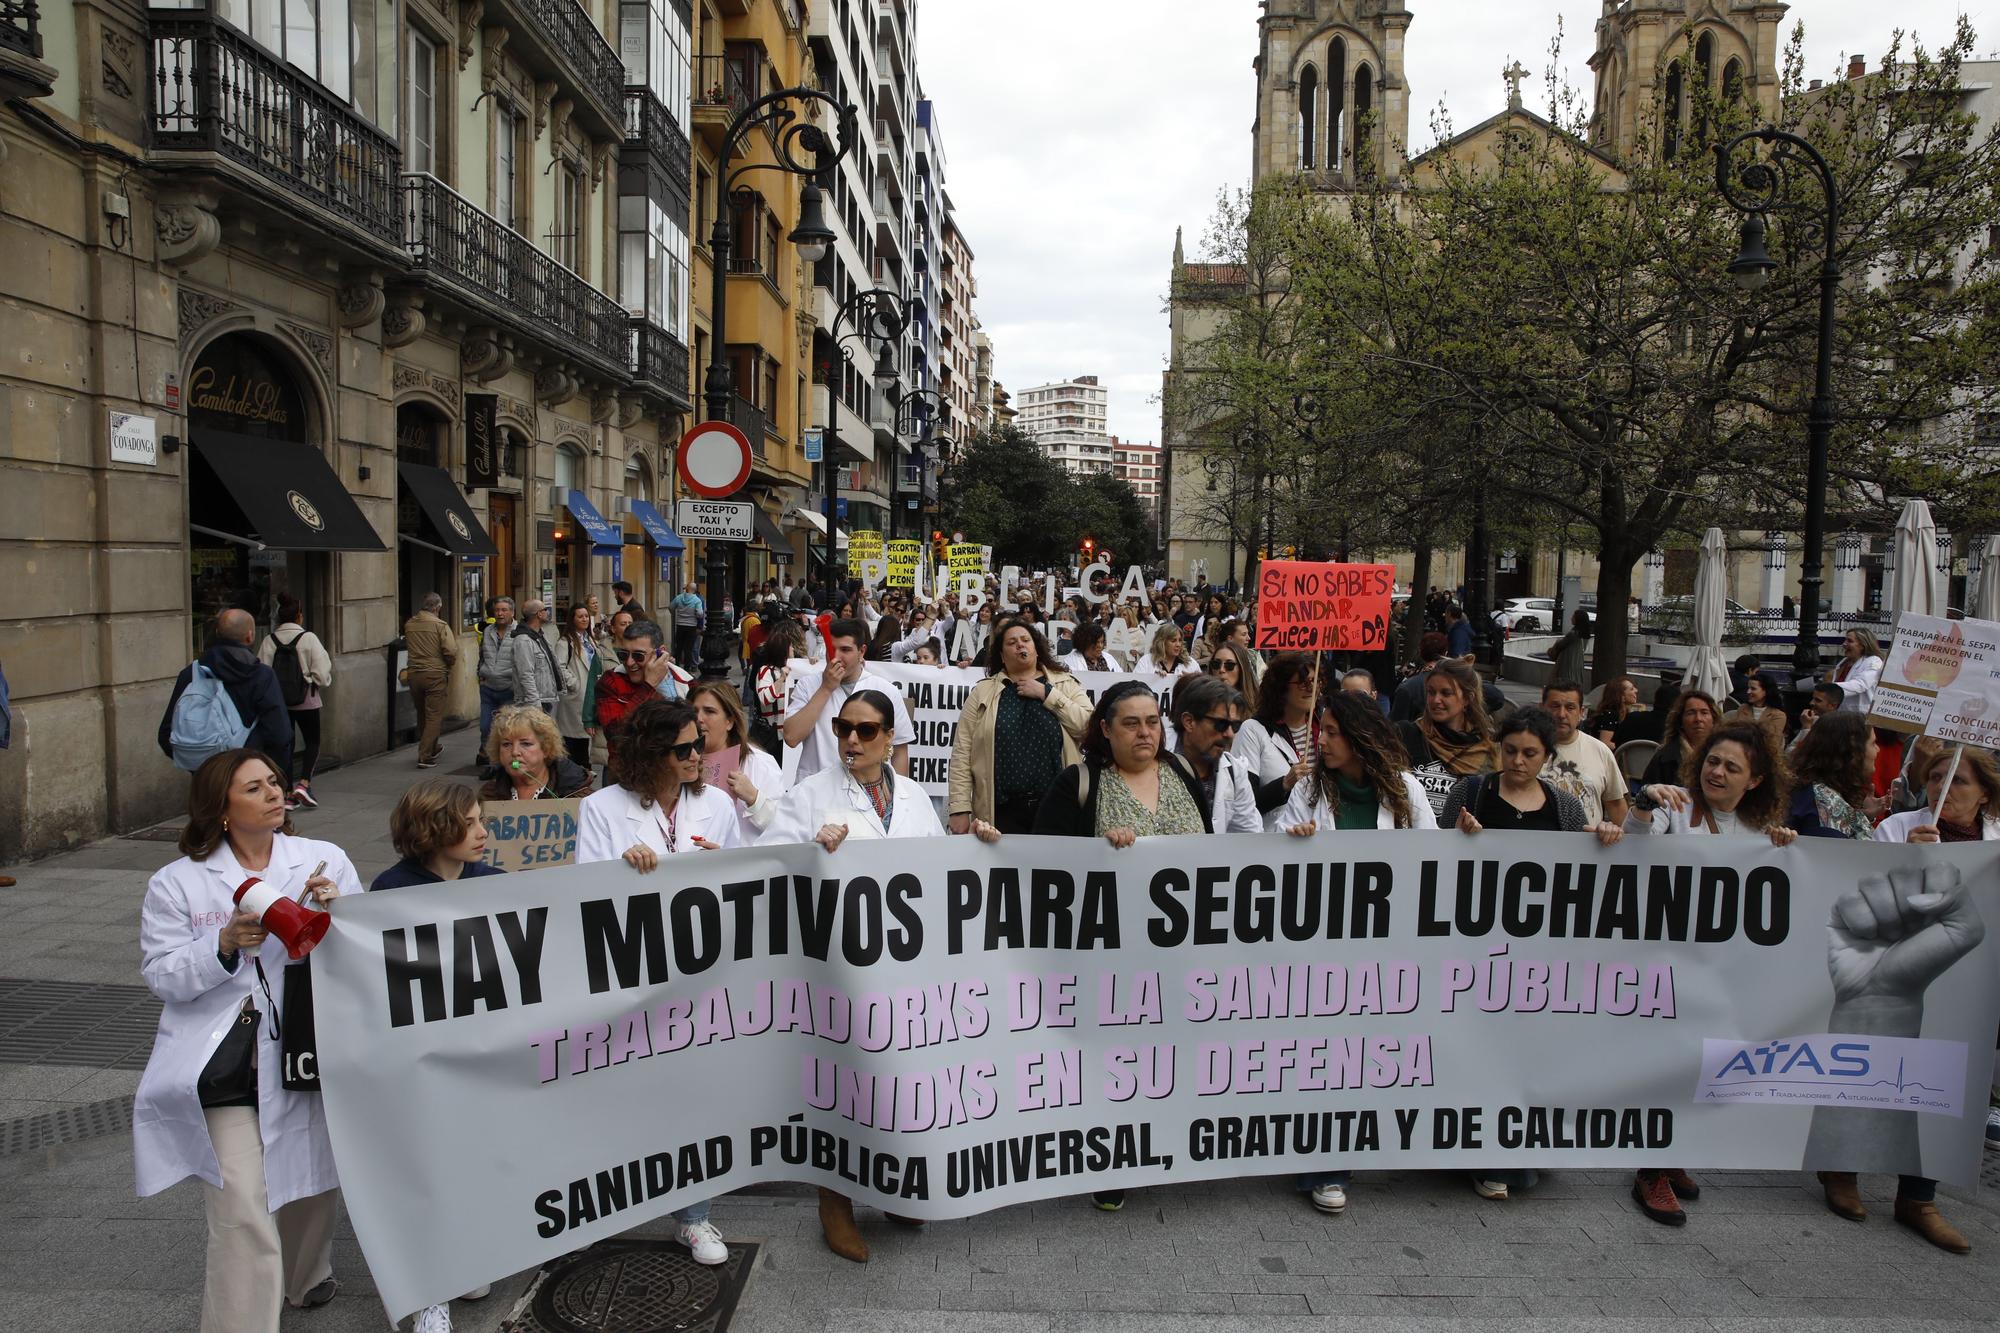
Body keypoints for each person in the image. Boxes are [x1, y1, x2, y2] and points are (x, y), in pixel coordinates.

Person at [758, 689, 998, 1259]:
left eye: (867, 731)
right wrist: (810, 851)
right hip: (841, 970)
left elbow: (937, 872)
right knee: (847, 1083)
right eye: (844, 729)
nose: (852, 741)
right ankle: (834, 1200)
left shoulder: (914, 796)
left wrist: (982, 849)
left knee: (901, 1080)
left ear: (891, 738)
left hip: (906, 971)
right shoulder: (811, 795)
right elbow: (766, 862)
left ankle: (894, 1183)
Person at [134, 749, 353, 1333]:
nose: (274, 794)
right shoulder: (178, 882)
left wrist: (339, 911)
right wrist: (224, 946)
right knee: (240, 1204)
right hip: (224, 1058)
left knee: (311, 1178)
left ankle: (304, 1278)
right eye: (254, 788)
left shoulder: (321, 859)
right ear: (222, 809)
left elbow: (361, 951)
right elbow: (162, 975)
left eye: (275, 783)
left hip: (303, 1043)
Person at [1033, 680, 1210, 1213]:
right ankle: (1111, 1161)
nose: (1145, 732)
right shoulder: (1079, 784)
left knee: (1170, 1056)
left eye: (1153, 721)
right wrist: (1099, 855)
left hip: (1180, 956)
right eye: (1130, 723)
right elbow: (1042, 868)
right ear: (1104, 730)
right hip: (1109, 963)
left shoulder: (1181, 773)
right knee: (1115, 1061)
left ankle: (1167, 1146)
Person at [574, 698, 737, 1265]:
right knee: (617, 1095)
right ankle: (599, 1211)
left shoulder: (716, 804)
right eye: (684, 749)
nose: (698, 756)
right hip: (632, 978)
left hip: (697, 977)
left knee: (695, 1098)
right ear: (652, 755)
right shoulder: (601, 808)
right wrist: (624, 865)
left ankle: (695, 1217)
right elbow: (585, 893)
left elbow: (743, 888)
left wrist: (724, 866)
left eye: (699, 744)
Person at [1625, 722, 1798, 1228]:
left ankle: (1673, 1150)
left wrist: (1786, 849)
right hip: (1668, 967)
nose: (1716, 772)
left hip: (1723, 974)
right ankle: (1649, 1171)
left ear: (1756, 781)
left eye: (1731, 767)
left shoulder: (1758, 830)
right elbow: (1636, 843)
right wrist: (1642, 806)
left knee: (1704, 1065)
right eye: (1712, 761)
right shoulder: (1674, 805)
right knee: (1671, 1063)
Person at [1273, 691, 1436, 1215]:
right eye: (1320, 729)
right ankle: (1326, 1167)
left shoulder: (1406, 789)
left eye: (1333, 732)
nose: (1321, 739)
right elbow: (1273, 859)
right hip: (1323, 951)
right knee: (1329, 1058)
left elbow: (1433, 857)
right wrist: (1292, 842)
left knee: (1374, 1055)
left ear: (1363, 736)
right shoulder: (1310, 791)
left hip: (1388, 948)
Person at [948, 617, 1093, 835]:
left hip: (1058, 808)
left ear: (1037, 650)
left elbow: (1088, 730)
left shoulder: (1065, 684)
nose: (1020, 644)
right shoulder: (982, 692)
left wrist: (1047, 694)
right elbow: (962, 752)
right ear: (1001, 655)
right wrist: (959, 808)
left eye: (1026, 640)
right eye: (1011, 642)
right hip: (1001, 813)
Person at [160, 609, 294, 782]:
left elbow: (166, 732)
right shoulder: (261, 676)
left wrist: (199, 763)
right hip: (248, 778)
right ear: (250, 636)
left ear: (217, 633)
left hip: (205, 781)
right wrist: (273, 779)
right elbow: (279, 735)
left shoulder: (192, 674)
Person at [782, 618, 916, 780]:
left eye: (845, 650)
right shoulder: (808, 685)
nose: (837, 657)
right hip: (815, 790)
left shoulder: (886, 690)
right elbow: (791, 737)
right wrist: (826, 688)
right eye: (832, 649)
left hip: (868, 792)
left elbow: (900, 750)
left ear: (862, 651)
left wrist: (898, 796)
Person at [1170, 673, 1276, 833]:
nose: (1229, 734)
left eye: (1235, 726)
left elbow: (1250, 838)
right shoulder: (1157, 767)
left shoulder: (1235, 771)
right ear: (1189, 722)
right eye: (1221, 724)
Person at [1396, 658, 1497, 823]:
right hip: (1410, 841)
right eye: (1431, 692)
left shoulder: (1487, 748)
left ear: (1467, 698)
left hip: (1462, 843)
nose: (1436, 700)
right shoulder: (1406, 735)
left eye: (1446, 693)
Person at [689, 681, 787, 846]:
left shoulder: (759, 762)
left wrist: (754, 798)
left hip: (742, 865)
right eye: (694, 712)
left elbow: (785, 826)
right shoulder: (681, 761)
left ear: (730, 722)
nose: (699, 719)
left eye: (709, 711)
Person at [256, 597, 332, 809]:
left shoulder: (269, 640)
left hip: (279, 702)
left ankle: (287, 790)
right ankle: (304, 784)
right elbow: (322, 672)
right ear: (299, 616)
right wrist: (317, 682)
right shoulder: (308, 638)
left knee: (284, 745)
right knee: (313, 741)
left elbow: (262, 671)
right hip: (306, 698)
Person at [1232, 653, 1320, 828]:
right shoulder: (1253, 730)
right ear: (1280, 689)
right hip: (1274, 842)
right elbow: (1243, 805)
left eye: (1315, 680)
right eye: (1303, 682)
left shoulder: (1326, 730)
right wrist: (1285, 784)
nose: (1311, 688)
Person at [370, 780, 506, 892]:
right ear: (431, 829)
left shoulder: (496, 881)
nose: (483, 833)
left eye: (481, 819)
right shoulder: (391, 887)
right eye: (468, 824)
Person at [595, 620, 691, 778]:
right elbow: (616, 733)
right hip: (630, 776)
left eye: (638, 656)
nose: (630, 662)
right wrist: (649, 685)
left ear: (661, 653)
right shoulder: (611, 681)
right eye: (623, 655)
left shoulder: (684, 681)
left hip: (676, 777)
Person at [1538, 679, 1628, 827]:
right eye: (1555, 706)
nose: (1561, 714)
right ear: (1541, 708)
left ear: (1582, 712)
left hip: (1587, 844)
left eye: (1570, 707)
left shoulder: (1600, 751)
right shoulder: (1523, 750)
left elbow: (1616, 805)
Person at [480, 704, 592, 803]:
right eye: (506, 744)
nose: (514, 752)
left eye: (526, 744)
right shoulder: (490, 796)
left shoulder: (576, 794)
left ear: (546, 748)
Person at [402, 593, 458, 770]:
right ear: (437, 608)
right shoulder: (440, 625)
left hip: (414, 674)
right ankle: (425, 755)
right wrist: (449, 664)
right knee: (434, 716)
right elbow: (450, 650)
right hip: (434, 673)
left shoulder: (410, 624)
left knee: (422, 714)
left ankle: (432, 746)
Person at [550, 605, 599, 768]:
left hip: (590, 694)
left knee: (585, 739)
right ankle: (576, 775)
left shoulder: (590, 639)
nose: (584, 619)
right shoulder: (565, 642)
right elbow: (559, 666)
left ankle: (584, 773)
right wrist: (574, 684)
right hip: (575, 698)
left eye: (586, 616)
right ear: (572, 619)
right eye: (580, 616)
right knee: (573, 741)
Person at [1640, 688, 1719, 787]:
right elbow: (1645, 794)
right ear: (1680, 721)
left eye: (1704, 712)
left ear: (1713, 719)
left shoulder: (1727, 752)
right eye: (1691, 713)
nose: (1698, 719)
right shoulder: (1665, 757)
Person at [509, 599, 571, 714]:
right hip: (533, 703)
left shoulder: (539, 635)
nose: (547, 612)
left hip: (546, 699)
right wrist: (535, 705)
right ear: (539, 614)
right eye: (545, 609)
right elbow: (526, 674)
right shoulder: (523, 640)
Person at [475, 596, 517, 742]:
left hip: (510, 690)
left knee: (507, 729)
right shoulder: (488, 631)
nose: (500, 614)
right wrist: (480, 674)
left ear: (512, 612)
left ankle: (504, 761)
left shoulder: (520, 633)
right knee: (485, 727)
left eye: (504, 610)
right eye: (497, 610)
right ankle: (489, 756)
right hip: (488, 689)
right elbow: (482, 655)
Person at [1725, 672, 1789, 747]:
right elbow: (1736, 734)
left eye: (1753, 689)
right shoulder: (1743, 708)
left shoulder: (1778, 715)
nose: (1748, 692)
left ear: (1765, 691)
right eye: (1748, 688)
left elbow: (1772, 742)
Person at [1830, 628, 1886, 713]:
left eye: (1850, 641)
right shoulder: (1843, 662)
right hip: (1841, 714)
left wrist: (1829, 688)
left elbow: (1861, 684)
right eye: (1845, 640)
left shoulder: (1873, 661)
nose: (1844, 644)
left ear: (1863, 645)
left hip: (1860, 715)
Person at [1207, 641, 1259, 713]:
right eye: (1216, 664)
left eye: (1229, 665)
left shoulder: (1260, 706)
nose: (1221, 670)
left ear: (1242, 668)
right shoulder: (1201, 704)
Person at [1589, 676, 1642, 747]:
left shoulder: (1622, 713)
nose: (1636, 690)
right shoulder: (1610, 715)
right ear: (1621, 696)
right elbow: (1605, 743)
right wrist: (1625, 748)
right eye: (1632, 689)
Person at [670, 583, 706, 669]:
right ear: (695, 589)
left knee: (678, 647)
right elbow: (700, 614)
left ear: (686, 588)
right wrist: (695, 616)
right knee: (688, 649)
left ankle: (676, 666)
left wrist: (678, 615)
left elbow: (671, 607)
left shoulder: (679, 597)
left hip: (680, 625)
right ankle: (687, 669)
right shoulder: (697, 600)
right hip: (691, 626)